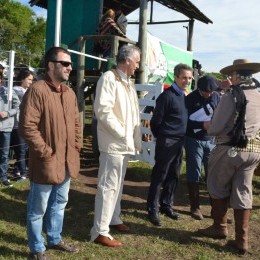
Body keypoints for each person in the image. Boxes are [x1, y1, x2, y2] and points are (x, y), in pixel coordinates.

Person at [19, 47, 82, 259]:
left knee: (60, 203)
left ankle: (54, 239)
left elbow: (76, 123)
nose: (69, 68)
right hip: (46, 161)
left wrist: (76, 146)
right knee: (38, 208)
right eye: (65, 63)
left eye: (70, 64)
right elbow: (27, 126)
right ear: (51, 65)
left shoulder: (70, 93)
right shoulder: (37, 89)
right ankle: (37, 248)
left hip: (66, 160)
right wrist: (45, 151)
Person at [199, 59, 260, 255]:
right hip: (253, 151)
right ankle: (241, 241)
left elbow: (216, 127)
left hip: (229, 149)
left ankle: (220, 227)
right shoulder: (258, 95)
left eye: (231, 75)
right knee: (243, 191)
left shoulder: (231, 96)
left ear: (236, 76)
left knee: (217, 186)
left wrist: (207, 125)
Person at [90, 45, 142, 247]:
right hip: (114, 143)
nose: (138, 66)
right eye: (137, 61)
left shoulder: (126, 82)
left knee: (117, 185)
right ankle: (100, 231)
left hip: (123, 143)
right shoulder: (109, 78)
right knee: (108, 186)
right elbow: (102, 110)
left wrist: (131, 136)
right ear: (127, 60)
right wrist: (122, 132)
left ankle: (114, 218)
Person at [147, 63, 193, 226]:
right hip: (167, 141)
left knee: (174, 175)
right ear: (176, 77)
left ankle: (166, 205)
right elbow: (155, 122)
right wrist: (163, 138)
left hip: (180, 141)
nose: (187, 81)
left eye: (189, 78)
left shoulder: (185, 96)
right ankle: (153, 209)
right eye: (184, 78)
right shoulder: (166, 96)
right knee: (160, 175)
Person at [185, 75, 220, 220]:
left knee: (212, 173)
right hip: (194, 140)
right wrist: (201, 125)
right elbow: (184, 122)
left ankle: (215, 209)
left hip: (211, 140)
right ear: (200, 89)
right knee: (194, 173)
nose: (210, 94)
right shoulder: (190, 99)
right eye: (207, 91)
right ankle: (195, 207)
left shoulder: (216, 96)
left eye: (212, 91)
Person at [11, 70, 35, 180]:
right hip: (18, 124)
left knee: (24, 148)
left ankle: (18, 170)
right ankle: (22, 172)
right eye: (29, 79)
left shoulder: (25, 90)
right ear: (22, 79)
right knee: (21, 149)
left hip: (24, 123)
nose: (31, 82)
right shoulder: (18, 90)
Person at [0, 73, 20, 187]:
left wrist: (7, 113)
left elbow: (18, 107)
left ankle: (3, 177)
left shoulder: (9, 92)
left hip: (6, 127)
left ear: (2, 80)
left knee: (4, 154)